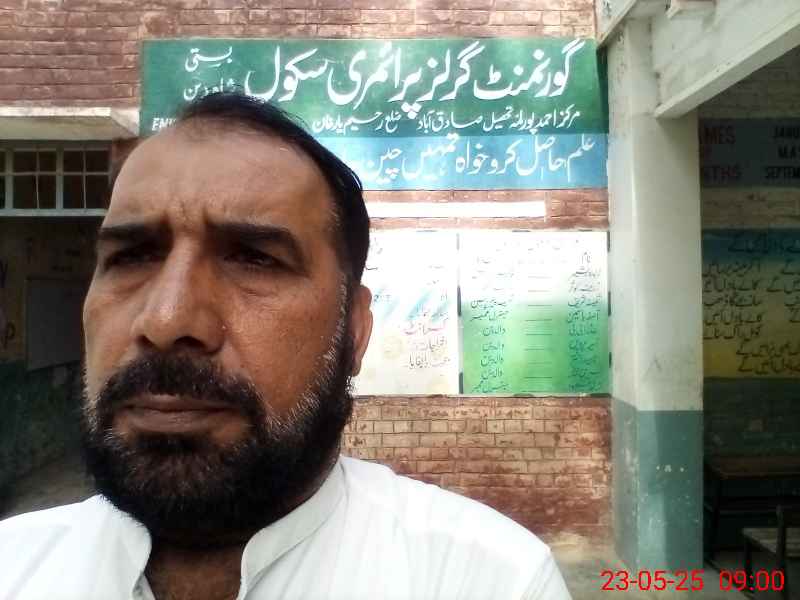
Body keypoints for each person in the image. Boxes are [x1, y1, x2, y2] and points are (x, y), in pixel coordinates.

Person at [0, 92, 571, 600]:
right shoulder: (15, 566)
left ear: (354, 331)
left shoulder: (488, 579)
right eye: (132, 257)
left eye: (254, 258)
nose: (167, 321)